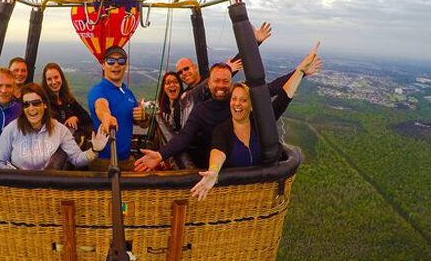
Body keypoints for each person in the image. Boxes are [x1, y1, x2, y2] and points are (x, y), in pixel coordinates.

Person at [134, 43, 322, 172]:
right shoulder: (203, 112)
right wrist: (160, 155)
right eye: (217, 81)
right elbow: (184, 137)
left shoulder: (242, 101)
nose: (221, 85)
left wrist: (300, 72)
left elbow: (273, 91)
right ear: (209, 84)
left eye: (226, 81)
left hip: (246, 163)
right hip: (219, 164)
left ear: (231, 83)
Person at [191, 47, 322, 200]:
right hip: (233, 197)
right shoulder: (222, 130)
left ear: (252, 105)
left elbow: (284, 96)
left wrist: (300, 71)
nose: (237, 104)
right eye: (234, 99)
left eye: (243, 99)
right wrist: (213, 170)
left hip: (261, 196)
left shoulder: (261, 124)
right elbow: (218, 151)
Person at [0, 84, 108, 170]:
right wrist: (17, 178)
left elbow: (77, 159)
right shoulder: (12, 129)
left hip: (48, 190)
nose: (31, 108)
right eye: (26, 104)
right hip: (19, 191)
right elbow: (0, 161)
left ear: (44, 104)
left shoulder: (59, 130)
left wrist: (94, 151)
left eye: (36, 103)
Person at [87, 45, 150, 171]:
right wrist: (107, 118)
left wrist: (143, 117)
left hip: (126, 159)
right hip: (103, 161)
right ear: (103, 65)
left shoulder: (128, 93)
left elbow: (143, 125)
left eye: (121, 61)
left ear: (125, 66)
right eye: (110, 61)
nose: (116, 65)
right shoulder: (98, 90)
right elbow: (101, 106)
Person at [175, 21, 272, 90]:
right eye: (180, 72)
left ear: (195, 67)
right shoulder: (185, 97)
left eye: (186, 69)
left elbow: (239, 60)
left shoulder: (210, 78)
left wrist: (255, 42)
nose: (183, 73)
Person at [42, 63, 93, 147]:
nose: (54, 82)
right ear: (45, 82)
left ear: (61, 77)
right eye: (49, 79)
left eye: (56, 77)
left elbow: (86, 117)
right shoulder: (44, 103)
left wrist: (75, 118)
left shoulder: (68, 99)